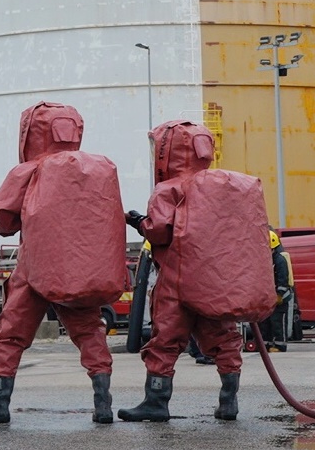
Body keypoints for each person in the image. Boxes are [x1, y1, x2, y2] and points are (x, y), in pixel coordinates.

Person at [0, 102, 127, 425]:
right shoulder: (101, 167)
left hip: (35, 270)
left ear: (31, 133)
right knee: (90, 332)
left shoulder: (29, 170)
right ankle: (103, 404)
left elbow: (4, 221)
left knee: (10, 335)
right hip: (79, 271)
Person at [118, 120, 276, 423]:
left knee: (165, 341)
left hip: (177, 282)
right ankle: (228, 402)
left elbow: (159, 232)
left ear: (169, 151)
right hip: (214, 282)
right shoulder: (229, 185)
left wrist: (138, 221)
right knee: (224, 338)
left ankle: (156, 402)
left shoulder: (169, 189)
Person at [263, 230, 293, 351]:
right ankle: (266, 345)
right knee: (265, 322)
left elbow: (282, 280)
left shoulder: (279, 261)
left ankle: (280, 345)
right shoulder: (266, 260)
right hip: (268, 298)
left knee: (278, 322)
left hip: (280, 298)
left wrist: (279, 295)